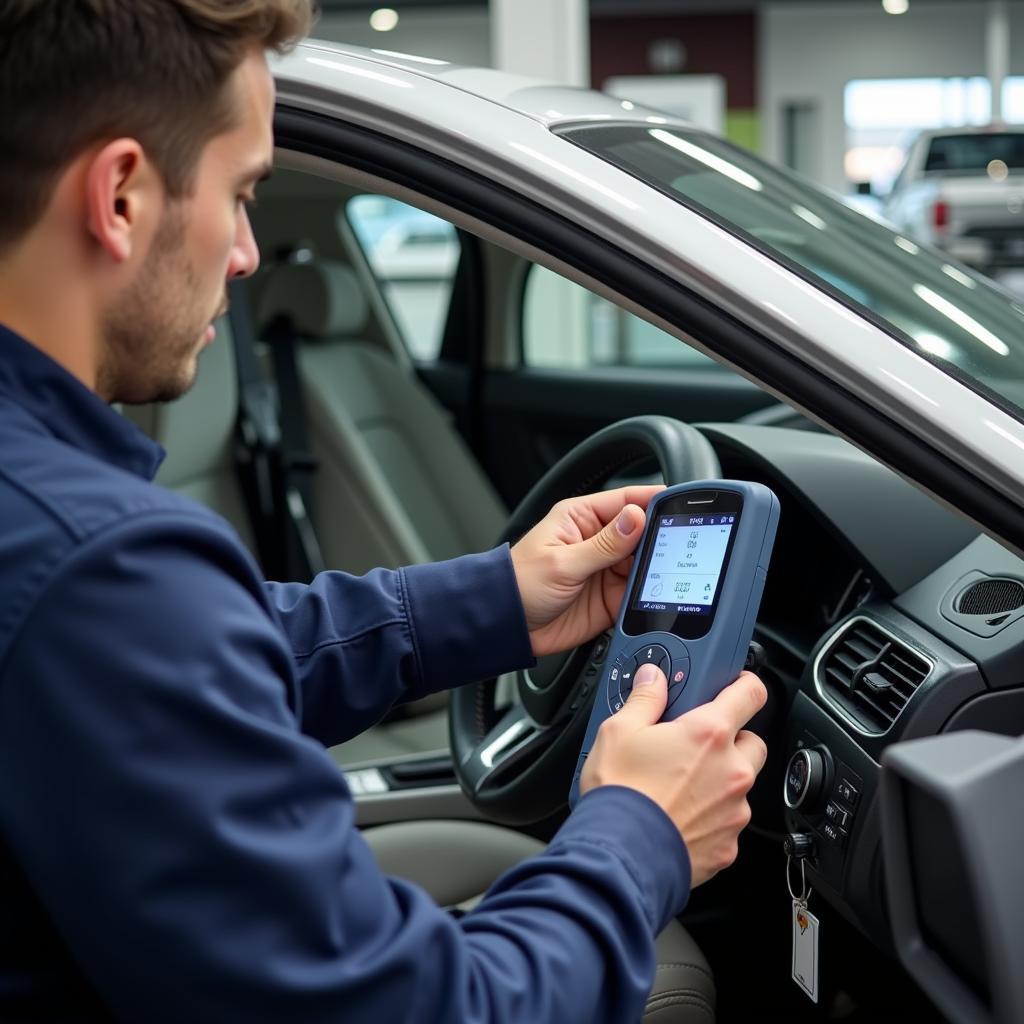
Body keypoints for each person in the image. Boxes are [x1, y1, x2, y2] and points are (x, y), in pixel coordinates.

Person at [0, 2, 768, 1021]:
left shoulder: (55, 532)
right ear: (124, 194)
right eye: (240, 195)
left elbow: (207, 654)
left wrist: (501, 600)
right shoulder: (98, 565)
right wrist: (640, 832)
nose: (245, 253)